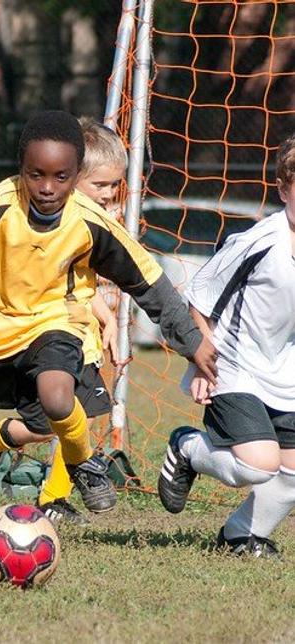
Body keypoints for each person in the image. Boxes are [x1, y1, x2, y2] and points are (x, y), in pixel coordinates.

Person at [0, 110, 217, 539]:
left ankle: (81, 465)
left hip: (52, 323)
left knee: (57, 395)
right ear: (21, 169)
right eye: (36, 175)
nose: (48, 188)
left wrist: (193, 343)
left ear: (74, 175)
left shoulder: (90, 222)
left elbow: (150, 282)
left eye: (61, 177)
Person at [0, 117, 127, 525]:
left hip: (73, 331)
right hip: (43, 332)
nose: (109, 195)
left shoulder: (90, 222)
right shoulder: (31, 217)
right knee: (54, 420)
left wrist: (108, 319)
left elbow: (80, 285)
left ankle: (53, 497)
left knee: (70, 417)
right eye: (100, 186)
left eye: (114, 186)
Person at [157, 132, 295, 558]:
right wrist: (200, 363)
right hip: (234, 366)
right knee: (257, 465)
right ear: (284, 188)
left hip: (284, 371)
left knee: (292, 471)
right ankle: (187, 447)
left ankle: (240, 535)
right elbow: (198, 297)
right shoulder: (260, 242)